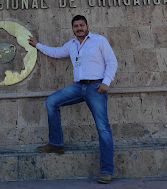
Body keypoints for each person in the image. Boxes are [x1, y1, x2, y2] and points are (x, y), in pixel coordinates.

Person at [28, 14, 118, 184]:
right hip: (78, 87)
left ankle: (106, 170)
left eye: (81, 25)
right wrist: (37, 45)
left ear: (87, 26)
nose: (79, 28)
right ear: (73, 28)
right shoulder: (71, 45)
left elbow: (112, 62)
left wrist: (106, 82)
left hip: (96, 88)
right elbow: (55, 52)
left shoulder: (99, 40)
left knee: (103, 128)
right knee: (51, 102)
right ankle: (56, 143)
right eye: (76, 26)